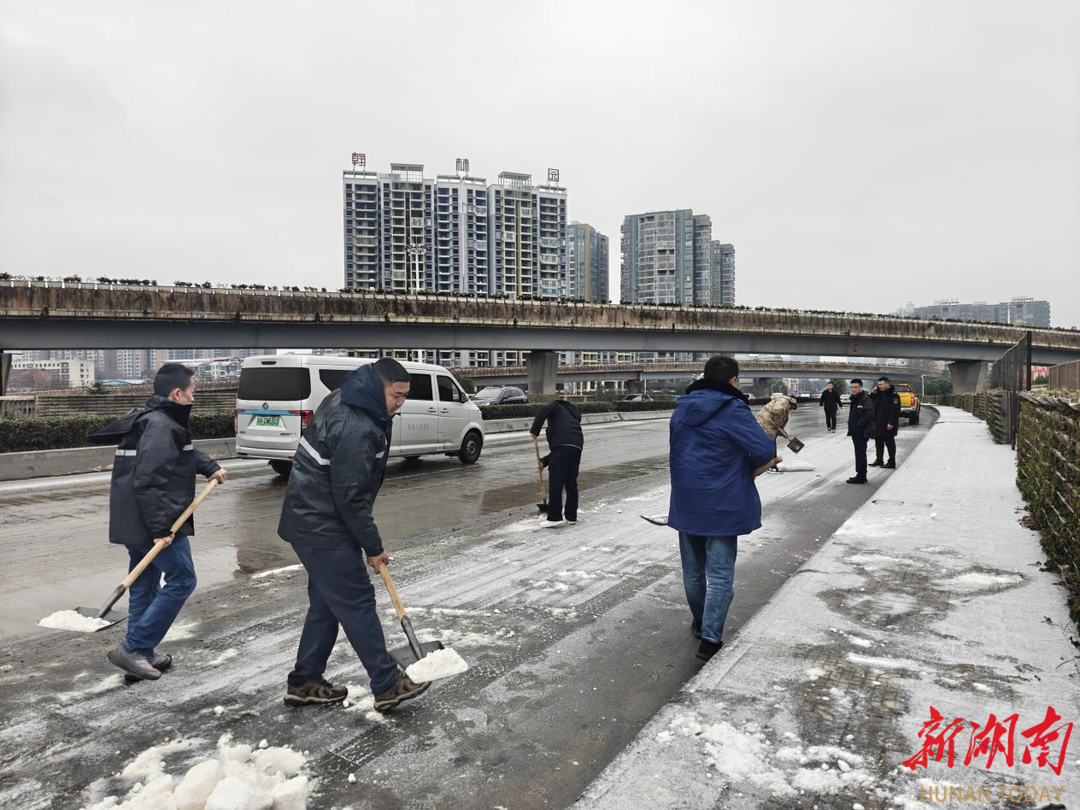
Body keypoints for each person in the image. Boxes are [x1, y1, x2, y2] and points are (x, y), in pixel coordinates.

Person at [277, 358, 429, 712]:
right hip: (322, 525)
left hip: (313, 519)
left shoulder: (350, 398)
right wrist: (373, 549)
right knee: (357, 600)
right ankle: (387, 682)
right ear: (379, 387)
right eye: (396, 396)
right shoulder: (358, 425)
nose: (400, 404)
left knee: (327, 605)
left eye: (405, 397)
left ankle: (304, 680)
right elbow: (351, 496)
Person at [104, 363, 228, 681]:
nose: (192, 398)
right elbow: (148, 480)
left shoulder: (153, 419)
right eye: (192, 393)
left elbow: (179, 453)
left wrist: (209, 466)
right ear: (177, 393)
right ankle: (134, 647)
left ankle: (140, 654)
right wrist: (162, 527)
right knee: (182, 579)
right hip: (152, 519)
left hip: (135, 518)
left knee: (144, 583)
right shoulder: (161, 425)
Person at [668, 356, 778, 662]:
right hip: (722, 503)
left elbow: (676, 452)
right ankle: (710, 639)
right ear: (733, 380)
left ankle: (700, 622)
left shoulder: (681, 410)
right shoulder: (732, 409)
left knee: (693, 572)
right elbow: (764, 449)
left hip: (686, 500)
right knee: (718, 575)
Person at [530, 394, 584, 528]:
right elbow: (562, 449)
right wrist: (544, 461)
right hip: (577, 447)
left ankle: (554, 517)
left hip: (563, 447)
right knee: (571, 482)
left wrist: (535, 430)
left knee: (556, 481)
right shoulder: (571, 416)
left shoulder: (556, 405)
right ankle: (571, 517)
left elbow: (543, 409)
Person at [846, 379, 877, 484]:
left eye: (855, 387)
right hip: (856, 431)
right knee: (859, 453)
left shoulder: (865, 399)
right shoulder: (855, 399)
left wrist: (858, 425)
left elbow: (869, 414)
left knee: (860, 453)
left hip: (861, 431)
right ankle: (860, 474)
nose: (853, 389)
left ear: (861, 387)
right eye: (852, 387)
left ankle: (861, 476)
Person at [870, 376, 901, 469]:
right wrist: (873, 393)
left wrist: (891, 423)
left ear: (887, 384)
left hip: (888, 424)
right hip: (878, 423)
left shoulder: (894, 395)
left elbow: (895, 410)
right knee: (878, 443)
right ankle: (879, 460)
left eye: (881, 384)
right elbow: (872, 404)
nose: (879, 386)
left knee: (889, 443)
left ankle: (892, 462)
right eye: (878, 384)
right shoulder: (880, 394)